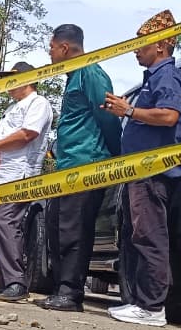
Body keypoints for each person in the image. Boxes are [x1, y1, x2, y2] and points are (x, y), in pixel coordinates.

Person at [100, 11, 181, 326]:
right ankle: (140, 302)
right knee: (136, 235)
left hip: (154, 172)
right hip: (139, 172)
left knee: (150, 236)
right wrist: (125, 109)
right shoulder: (152, 78)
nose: (135, 50)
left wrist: (129, 111)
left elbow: (168, 116)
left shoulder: (168, 76)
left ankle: (152, 308)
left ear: (161, 46)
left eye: (141, 44)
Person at [35, 25, 123, 313]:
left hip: (86, 165)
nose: (49, 55)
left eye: (51, 48)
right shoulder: (73, 77)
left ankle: (71, 293)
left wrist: (114, 156)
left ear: (64, 48)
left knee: (74, 231)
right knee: (57, 227)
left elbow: (108, 118)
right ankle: (60, 288)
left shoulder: (91, 72)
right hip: (66, 165)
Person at [0, 62, 53, 302]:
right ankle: (4, 281)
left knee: (7, 225)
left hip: (18, 176)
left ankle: (16, 282)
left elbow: (28, 134)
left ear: (26, 80)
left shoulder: (38, 103)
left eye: (12, 79)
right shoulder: (12, 107)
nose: (8, 84)